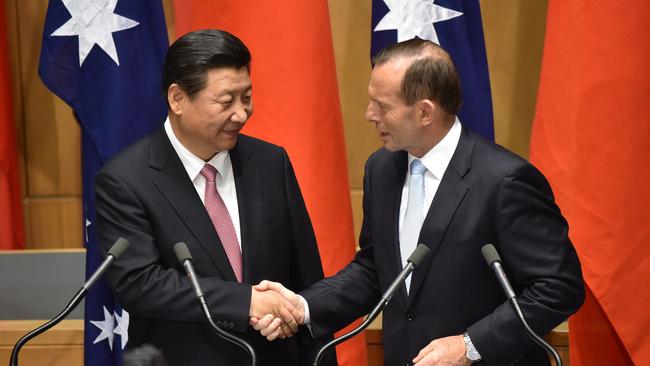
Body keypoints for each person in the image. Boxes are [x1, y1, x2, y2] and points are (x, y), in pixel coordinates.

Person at [252, 38, 585, 365]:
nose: (369, 114)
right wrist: (303, 306)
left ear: (425, 112)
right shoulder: (381, 169)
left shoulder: (505, 180)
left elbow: (558, 287)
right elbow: (374, 269)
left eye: (382, 106)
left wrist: (470, 346)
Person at [94, 29, 336, 366]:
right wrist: (247, 301)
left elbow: (306, 276)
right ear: (177, 99)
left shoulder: (270, 163)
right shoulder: (125, 179)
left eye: (246, 97)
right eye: (226, 101)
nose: (241, 113)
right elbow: (140, 283)